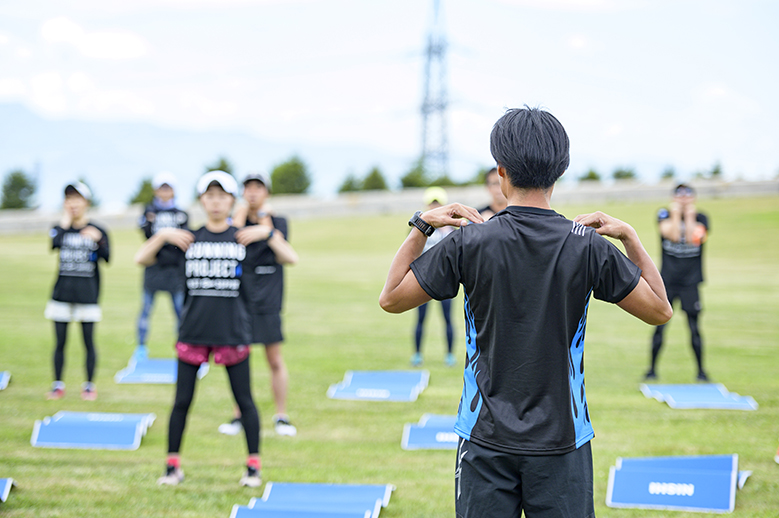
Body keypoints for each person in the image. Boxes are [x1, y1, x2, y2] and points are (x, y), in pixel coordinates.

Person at [379, 107, 672, 517]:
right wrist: (631, 237)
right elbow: (660, 309)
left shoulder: (470, 241)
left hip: (484, 440)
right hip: (563, 443)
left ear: (501, 171)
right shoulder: (586, 244)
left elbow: (391, 297)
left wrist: (421, 225)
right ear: (560, 172)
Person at [135, 171, 263, 487]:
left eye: (222, 196)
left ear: (232, 200)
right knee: (181, 401)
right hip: (193, 331)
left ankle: (253, 468)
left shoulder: (242, 238)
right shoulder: (187, 238)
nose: (216, 202)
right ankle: (172, 466)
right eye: (210, 196)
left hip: (232, 332)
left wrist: (267, 234)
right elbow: (141, 258)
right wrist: (163, 236)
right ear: (202, 200)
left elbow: (290, 257)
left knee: (244, 400)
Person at [218, 172, 300, 438]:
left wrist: (266, 228)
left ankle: (281, 416)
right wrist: (240, 219)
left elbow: (288, 256)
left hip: (268, 300)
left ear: (267, 193)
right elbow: (228, 246)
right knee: (238, 359)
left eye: (258, 188)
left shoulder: (278, 222)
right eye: (248, 188)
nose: (253, 193)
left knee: (274, 359)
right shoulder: (233, 221)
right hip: (238, 300)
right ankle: (238, 415)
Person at [44, 182, 110, 401]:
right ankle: (57, 385)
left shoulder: (98, 229)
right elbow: (53, 244)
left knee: (88, 342)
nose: (73, 204)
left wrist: (97, 239)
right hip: (61, 294)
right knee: (60, 342)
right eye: (69, 199)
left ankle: (89, 386)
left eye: (77, 199)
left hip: (88, 295)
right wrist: (65, 223)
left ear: (86, 203)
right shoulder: (60, 228)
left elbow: (108, 257)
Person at [645, 184, 710, 382]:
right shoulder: (664, 214)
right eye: (679, 195)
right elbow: (671, 234)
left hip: (691, 281)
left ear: (694, 198)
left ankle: (701, 371)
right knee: (660, 325)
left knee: (694, 327)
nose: (683, 199)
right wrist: (676, 214)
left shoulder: (702, 218)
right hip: (667, 282)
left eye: (687, 195)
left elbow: (693, 239)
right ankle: (652, 370)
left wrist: (689, 216)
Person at [134, 172, 189, 361]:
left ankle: (182, 346)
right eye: (161, 188)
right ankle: (140, 348)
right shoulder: (148, 212)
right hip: (153, 268)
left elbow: (184, 239)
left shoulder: (181, 214)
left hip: (175, 270)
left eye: (168, 188)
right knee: (146, 310)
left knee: (180, 312)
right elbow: (146, 236)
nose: (165, 192)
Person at [411, 186, 455, 367]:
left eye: (438, 203)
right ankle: (417, 354)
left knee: (447, 319)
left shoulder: (451, 229)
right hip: (422, 281)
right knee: (421, 319)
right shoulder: (418, 229)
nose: (435, 206)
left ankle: (450, 355)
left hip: (444, 282)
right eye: (432, 203)